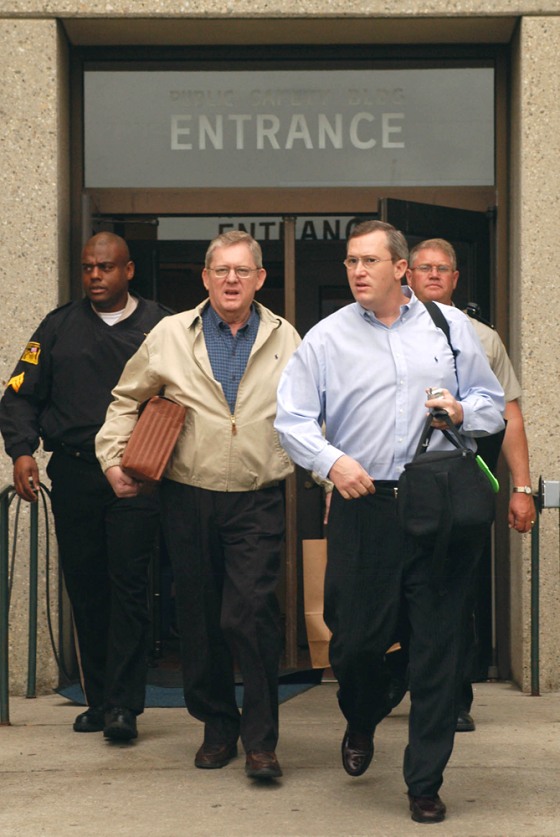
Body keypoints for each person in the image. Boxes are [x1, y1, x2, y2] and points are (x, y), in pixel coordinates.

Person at [274, 220, 504, 824]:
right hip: (364, 502)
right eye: (352, 261)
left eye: (370, 260)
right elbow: (292, 418)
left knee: (437, 647)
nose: (357, 271)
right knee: (353, 642)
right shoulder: (327, 337)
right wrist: (332, 462)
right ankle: (363, 713)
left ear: (400, 268)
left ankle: (424, 782)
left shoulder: (449, 328)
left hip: (437, 504)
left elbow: (491, 404)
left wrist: (461, 409)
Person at [95, 230, 300, 780]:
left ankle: (261, 742)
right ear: (205, 278)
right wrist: (112, 457)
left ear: (260, 279)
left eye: (243, 270)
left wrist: (331, 481)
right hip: (187, 495)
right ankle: (217, 726)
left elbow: (313, 414)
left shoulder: (285, 337)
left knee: (251, 614)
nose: (232, 280)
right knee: (200, 617)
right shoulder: (169, 334)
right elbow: (126, 399)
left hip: (257, 496)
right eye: (221, 270)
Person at [0, 232, 171, 742]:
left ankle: (124, 706)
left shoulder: (162, 326)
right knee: (87, 588)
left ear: (128, 270)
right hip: (75, 473)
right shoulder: (58, 327)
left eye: (106, 267)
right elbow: (18, 394)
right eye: (88, 268)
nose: (95, 276)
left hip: (136, 475)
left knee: (129, 587)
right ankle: (99, 701)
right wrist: (22, 451)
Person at [402, 237, 536, 731]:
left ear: (456, 279)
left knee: (454, 593)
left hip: (459, 483)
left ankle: (453, 698)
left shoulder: (483, 338)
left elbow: (509, 414)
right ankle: (400, 677)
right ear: (407, 275)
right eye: (424, 268)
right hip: (397, 484)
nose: (434, 275)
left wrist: (521, 488)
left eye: (443, 269)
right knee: (397, 591)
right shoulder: (383, 330)